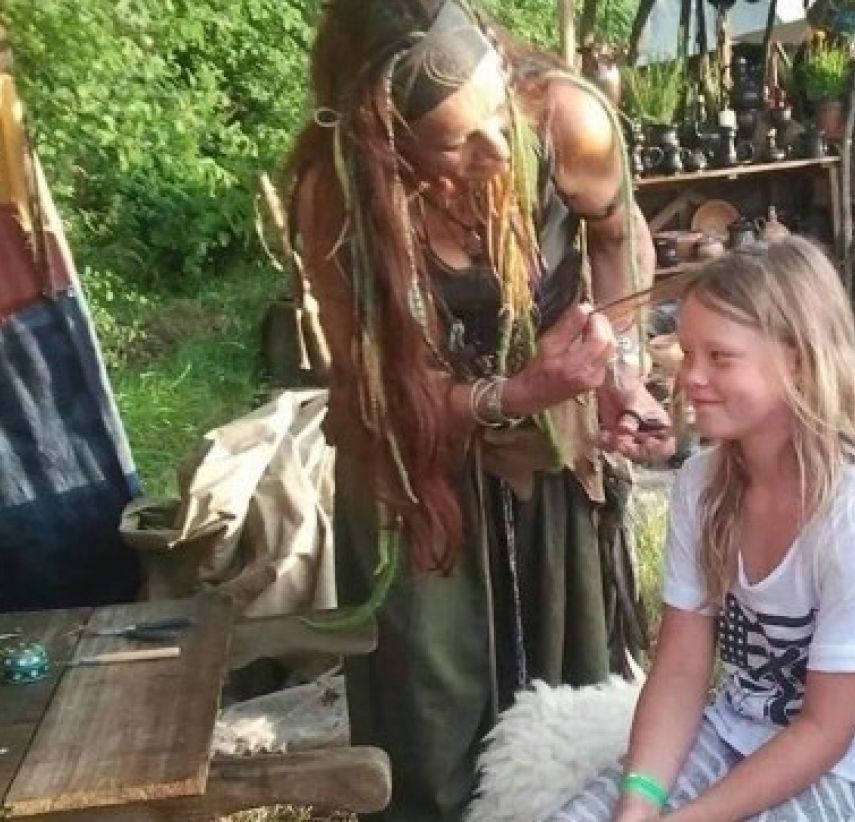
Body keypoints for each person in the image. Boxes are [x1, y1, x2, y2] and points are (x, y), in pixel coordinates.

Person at [286, 1, 674, 818]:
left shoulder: (567, 117)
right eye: (455, 141)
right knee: (431, 739)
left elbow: (617, 238)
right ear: (381, 138)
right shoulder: (337, 192)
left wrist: (618, 364)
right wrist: (518, 392)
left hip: (549, 468)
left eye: (496, 113)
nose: (497, 150)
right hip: (414, 487)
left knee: (569, 726)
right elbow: (376, 390)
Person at [550, 237, 855, 821]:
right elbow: (680, 669)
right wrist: (638, 805)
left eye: (719, 357)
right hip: (736, 728)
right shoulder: (702, 485)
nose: (690, 377)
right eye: (687, 352)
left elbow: (825, 732)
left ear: (797, 358)